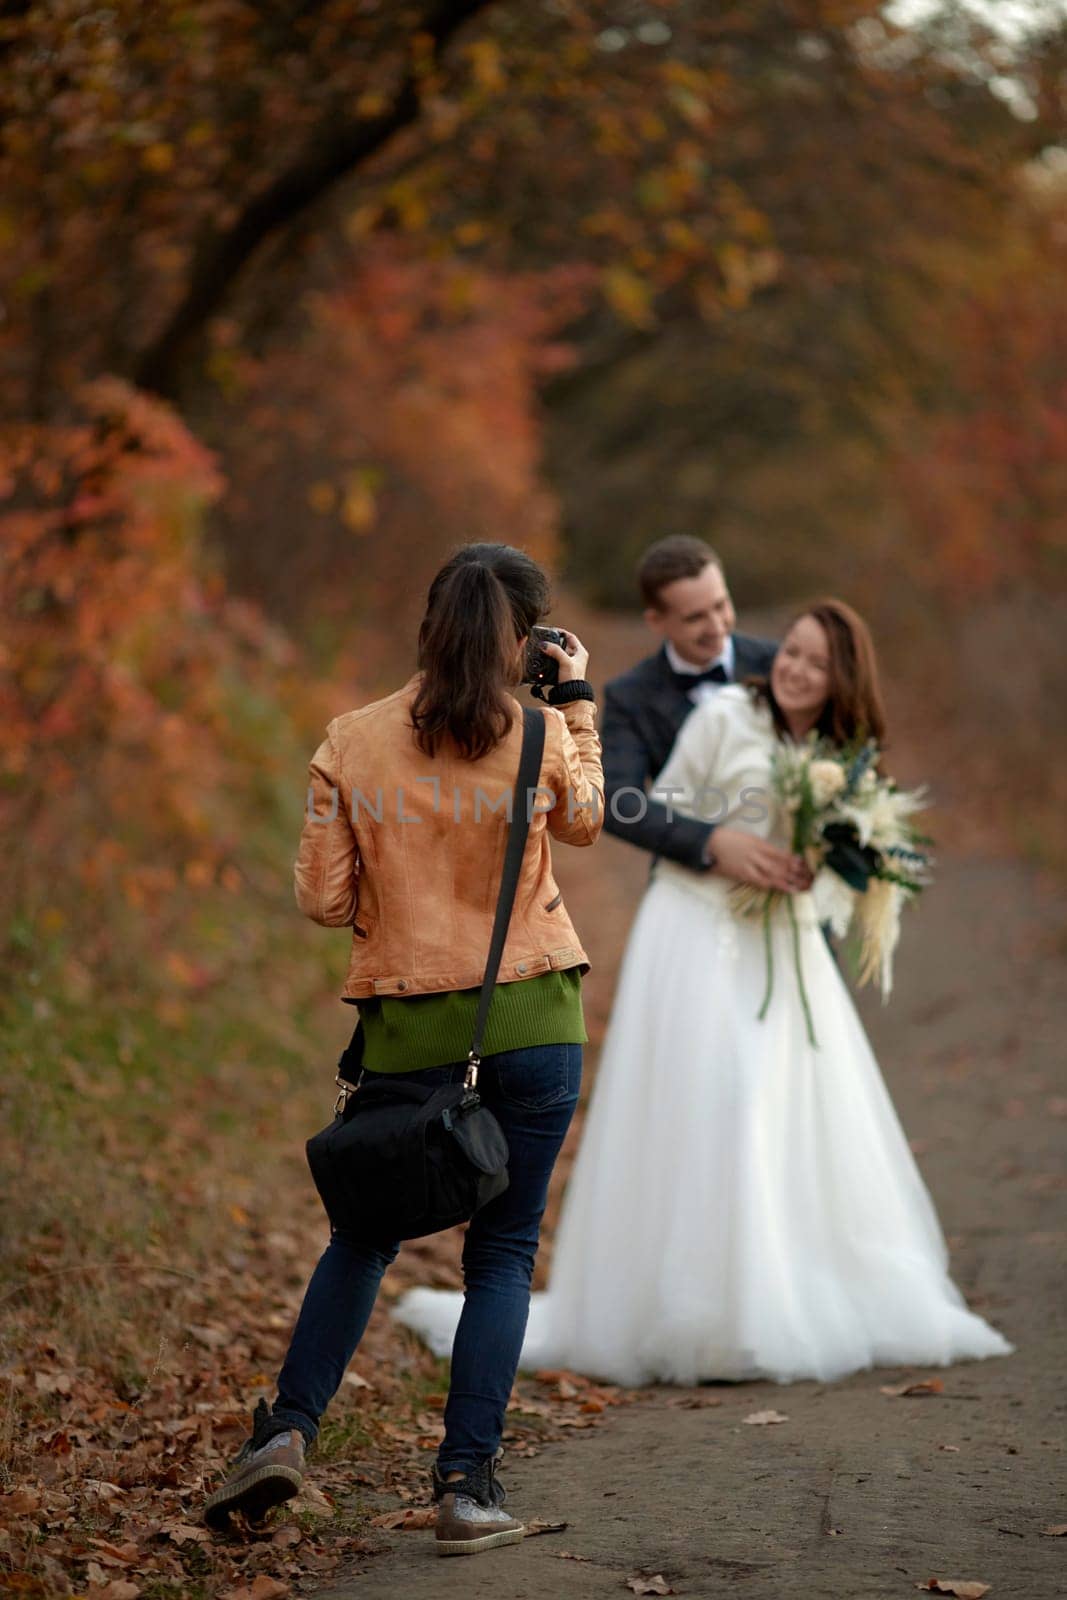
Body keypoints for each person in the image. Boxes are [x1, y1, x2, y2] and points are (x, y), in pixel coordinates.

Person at [395, 599, 1014, 1384]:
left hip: (780, 943)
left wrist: (813, 874)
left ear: (842, 680)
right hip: (694, 930)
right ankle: (693, 1312)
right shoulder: (726, 712)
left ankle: (782, 1296)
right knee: (718, 1102)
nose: (793, 668)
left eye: (815, 662)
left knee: (786, 1107)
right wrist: (718, 848)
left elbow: (846, 871)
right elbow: (659, 812)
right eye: (790, 651)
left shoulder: (845, 755)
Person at [201, 543, 603, 1554]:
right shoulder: (543, 731)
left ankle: (286, 1431)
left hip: (410, 1030)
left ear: (429, 624)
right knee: (502, 1252)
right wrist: (579, 701)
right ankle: (465, 1489)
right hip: (534, 1022)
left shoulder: (351, 740)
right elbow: (587, 821)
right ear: (529, 640)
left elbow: (322, 898)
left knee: (362, 1237)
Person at [600, 534, 805, 895]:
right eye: (695, 617)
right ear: (656, 621)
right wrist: (709, 842)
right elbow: (617, 802)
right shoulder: (629, 696)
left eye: (721, 605)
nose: (716, 626)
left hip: (788, 878)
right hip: (688, 885)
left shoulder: (778, 664)